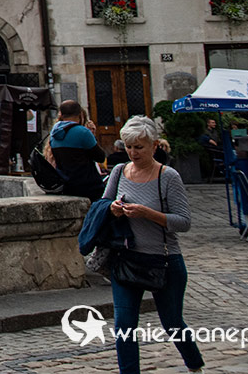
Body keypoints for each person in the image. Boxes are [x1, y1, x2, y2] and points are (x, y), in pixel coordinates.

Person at [103, 114, 203, 374]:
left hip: (164, 261)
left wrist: (148, 214)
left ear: (154, 145)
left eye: (139, 147)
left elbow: (183, 222)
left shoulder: (168, 176)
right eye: (129, 146)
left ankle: (194, 365)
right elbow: (101, 208)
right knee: (124, 325)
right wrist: (113, 209)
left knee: (172, 323)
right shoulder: (118, 171)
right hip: (126, 260)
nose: (133, 153)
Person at [47, 99, 106, 200]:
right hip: (88, 185)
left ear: (61, 114)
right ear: (80, 114)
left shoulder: (54, 133)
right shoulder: (83, 132)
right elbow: (100, 157)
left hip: (66, 184)